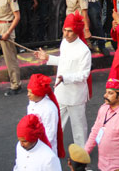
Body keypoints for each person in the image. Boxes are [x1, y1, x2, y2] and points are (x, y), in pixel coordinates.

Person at [34, 13, 92, 147]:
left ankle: (82, 155)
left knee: (79, 128)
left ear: (77, 31)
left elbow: (84, 74)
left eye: (70, 31)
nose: (66, 34)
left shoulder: (84, 51)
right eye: (64, 30)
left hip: (76, 96)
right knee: (54, 124)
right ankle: (51, 149)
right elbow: (64, 61)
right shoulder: (64, 42)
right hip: (61, 92)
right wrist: (47, 58)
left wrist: (65, 78)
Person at [25, 73, 65, 158]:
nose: (28, 95)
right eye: (28, 91)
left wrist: (35, 147)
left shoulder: (49, 109)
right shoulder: (32, 102)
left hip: (44, 149)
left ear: (38, 93)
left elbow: (50, 134)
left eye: (31, 92)